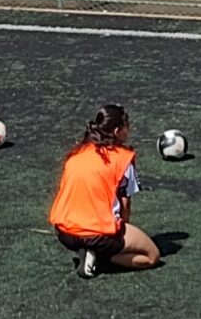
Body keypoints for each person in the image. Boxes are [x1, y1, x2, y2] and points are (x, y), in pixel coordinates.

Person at [49, 104, 160, 279]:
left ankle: (90, 252)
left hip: (64, 232)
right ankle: (100, 255)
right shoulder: (122, 158)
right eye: (127, 127)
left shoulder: (77, 153)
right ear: (117, 131)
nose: (129, 130)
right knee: (152, 256)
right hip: (97, 234)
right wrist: (121, 233)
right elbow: (125, 204)